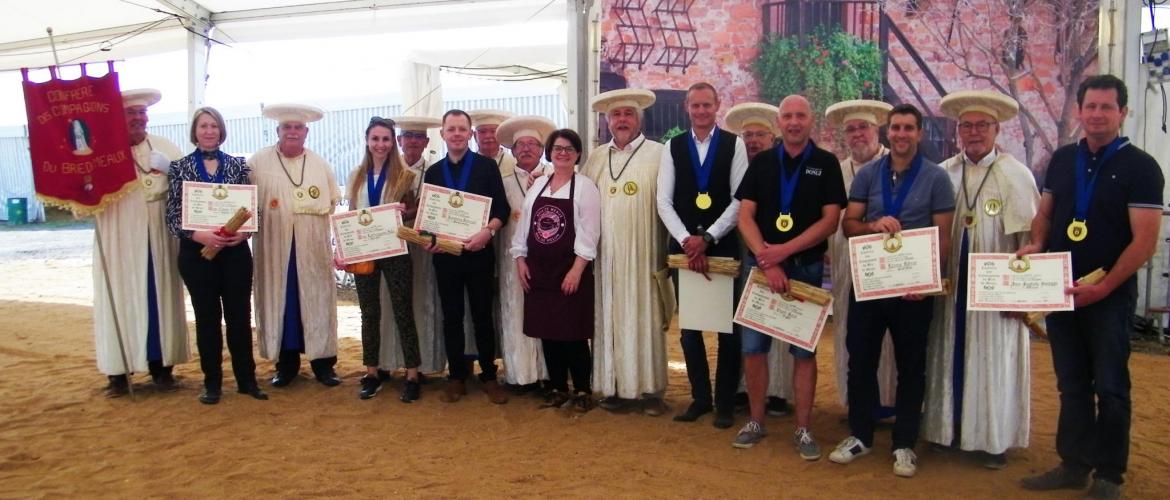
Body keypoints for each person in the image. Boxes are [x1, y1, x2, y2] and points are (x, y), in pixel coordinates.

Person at [1018, 75, 1163, 500]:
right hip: (1061, 290)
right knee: (1072, 382)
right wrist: (1038, 242)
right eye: (1091, 106)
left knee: (1112, 386)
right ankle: (1074, 463)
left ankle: (1109, 474)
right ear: (1080, 111)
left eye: (1107, 107)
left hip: (1109, 297)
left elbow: (1145, 241)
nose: (1097, 114)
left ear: (1123, 113)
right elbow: (1045, 213)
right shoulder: (1062, 160)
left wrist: (1106, 287)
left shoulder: (1142, 167)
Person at [830, 104, 955, 478]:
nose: (901, 134)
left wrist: (927, 283)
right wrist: (871, 225)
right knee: (860, 360)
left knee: (911, 366)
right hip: (870, 285)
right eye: (896, 128)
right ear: (888, 132)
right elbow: (848, 225)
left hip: (913, 291)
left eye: (908, 128)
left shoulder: (936, 178)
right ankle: (860, 435)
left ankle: (904, 444)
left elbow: (943, 237)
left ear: (918, 133)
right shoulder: (868, 175)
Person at [922, 90, 1039, 469]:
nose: (974, 132)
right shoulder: (943, 172)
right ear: (958, 131)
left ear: (996, 129)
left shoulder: (1015, 174)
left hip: (996, 288)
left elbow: (1030, 241)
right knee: (946, 350)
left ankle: (992, 439)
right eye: (966, 126)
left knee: (993, 357)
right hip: (951, 282)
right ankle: (944, 430)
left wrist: (1020, 296)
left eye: (982, 125)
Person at [731, 95, 846, 460]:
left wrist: (785, 251)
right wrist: (769, 260)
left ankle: (803, 428)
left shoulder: (826, 164)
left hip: (806, 268)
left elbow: (831, 220)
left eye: (800, 116)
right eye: (788, 116)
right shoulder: (763, 162)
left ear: (811, 120)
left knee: (803, 352)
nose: (794, 122)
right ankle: (755, 420)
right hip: (762, 269)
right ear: (779, 122)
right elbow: (745, 217)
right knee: (752, 350)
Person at [656, 82, 746, 429]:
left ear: (717, 105)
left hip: (721, 248)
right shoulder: (673, 147)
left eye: (707, 105)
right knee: (691, 328)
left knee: (727, 329)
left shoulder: (734, 145)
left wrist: (707, 237)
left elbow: (739, 199)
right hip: (684, 251)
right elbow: (663, 200)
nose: (702, 111)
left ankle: (724, 403)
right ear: (686, 107)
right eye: (695, 106)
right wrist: (686, 239)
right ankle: (699, 398)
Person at [165, 106, 266, 404]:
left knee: (239, 317)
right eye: (203, 126)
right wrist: (198, 235)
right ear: (194, 132)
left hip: (234, 254)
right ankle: (212, 383)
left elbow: (253, 208)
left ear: (222, 131)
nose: (209, 131)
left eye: (214, 126)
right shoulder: (179, 167)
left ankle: (246, 380)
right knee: (207, 317)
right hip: (197, 255)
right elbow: (171, 214)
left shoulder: (239, 166)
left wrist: (244, 233)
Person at [580, 88, 671, 416]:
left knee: (645, 316)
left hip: (645, 253)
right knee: (609, 317)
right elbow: (580, 200)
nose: (622, 120)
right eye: (616, 115)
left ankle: (650, 390)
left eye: (628, 114)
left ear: (639, 119)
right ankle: (614, 386)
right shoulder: (595, 158)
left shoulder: (660, 154)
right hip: (606, 258)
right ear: (607, 121)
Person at [94, 88, 188, 397]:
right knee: (120, 298)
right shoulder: (102, 151)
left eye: (141, 114)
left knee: (161, 296)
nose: (138, 119)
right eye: (131, 113)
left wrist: (172, 170)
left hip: (159, 238)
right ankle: (118, 372)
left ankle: (162, 367)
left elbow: (191, 191)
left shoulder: (165, 147)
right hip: (119, 238)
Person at [250, 103, 342, 388]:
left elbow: (332, 203)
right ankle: (286, 365)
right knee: (283, 304)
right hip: (275, 249)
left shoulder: (319, 163)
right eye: (287, 127)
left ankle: (323, 364)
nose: (292, 132)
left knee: (316, 301)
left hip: (311, 248)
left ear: (306, 132)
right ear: (277, 130)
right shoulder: (257, 163)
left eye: (298, 127)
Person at [424, 109, 512, 404]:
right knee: (451, 317)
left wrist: (487, 232)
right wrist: (431, 241)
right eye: (452, 129)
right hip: (446, 257)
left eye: (463, 129)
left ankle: (489, 375)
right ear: (443, 134)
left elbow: (502, 210)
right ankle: (457, 376)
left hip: (478, 254)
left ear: (470, 133)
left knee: (482, 316)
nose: (457, 134)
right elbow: (428, 219)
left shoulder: (486, 167)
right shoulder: (434, 172)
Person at [511, 128, 602, 412]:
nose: (563, 153)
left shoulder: (585, 187)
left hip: (569, 267)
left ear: (577, 155)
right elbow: (524, 225)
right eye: (558, 148)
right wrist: (520, 258)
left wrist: (577, 270)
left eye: (569, 149)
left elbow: (590, 232)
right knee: (547, 331)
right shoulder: (537, 185)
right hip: (538, 269)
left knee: (573, 332)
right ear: (550, 152)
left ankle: (583, 389)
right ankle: (558, 387)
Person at [824, 99, 899, 415]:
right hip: (844, 263)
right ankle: (856, 402)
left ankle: (887, 401)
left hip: (886, 263)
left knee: (888, 340)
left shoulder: (896, 166)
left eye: (863, 127)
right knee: (848, 332)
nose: (857, 135)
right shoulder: (837, 172)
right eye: (851, 129)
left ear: (877, 129)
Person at [341, 117, 423, 402]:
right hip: (365, 251)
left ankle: (412, 374)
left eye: (386, 139)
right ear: (367, 140)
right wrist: (344, 249)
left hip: (396, 249)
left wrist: (402, 212)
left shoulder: (405, 176)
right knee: (369, 313)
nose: (380, 144)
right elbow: (351, 215)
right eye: (375, 139)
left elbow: (414, 211)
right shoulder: (355, 176)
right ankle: (372, 372)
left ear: (393, 142)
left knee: (403, 310)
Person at [724, 101, 793, 418]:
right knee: (745, 316)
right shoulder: (736, 168)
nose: (753, 141)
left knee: (779, 316)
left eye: (759, 135)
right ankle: (743, 388)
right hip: (741, 251)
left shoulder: (782, 167)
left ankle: (778, 390)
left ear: (772, 138)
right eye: (748, 135)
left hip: (775, 251)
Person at [495, 115, 557, 392]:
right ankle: (519, 376)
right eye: (521, 145)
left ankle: (547, 375)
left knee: (547, 313)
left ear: (542, 149)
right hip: (511, 259)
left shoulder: (556, 177)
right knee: (514, 312)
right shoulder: (503, 180)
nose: (527, 149)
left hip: (548, 260)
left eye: (533, 144)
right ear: (512, 150)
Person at [394, 115, 454, 374]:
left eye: (419, 137)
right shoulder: (391, 171)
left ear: (427, 140)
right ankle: (392, 361)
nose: (413, 141)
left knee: (425, 300)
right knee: (396, 303)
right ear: (399, 140)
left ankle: (427, 362)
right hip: (395, 245)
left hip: (425, 247)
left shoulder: (435, 171)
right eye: (408, 136)